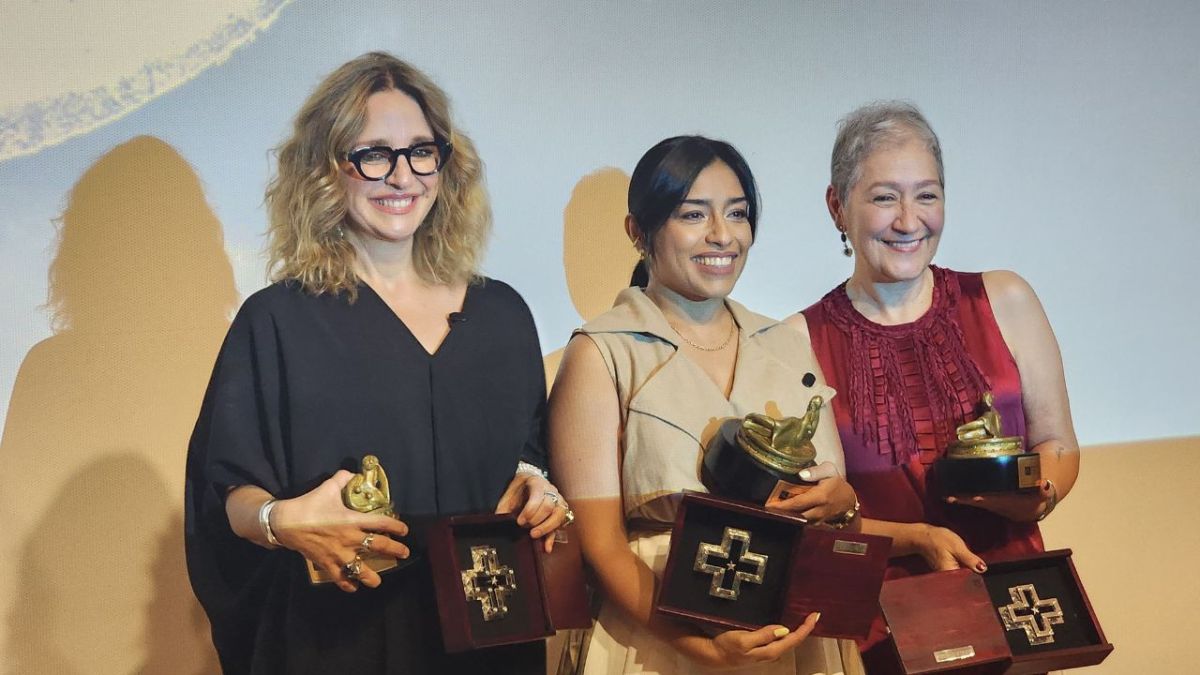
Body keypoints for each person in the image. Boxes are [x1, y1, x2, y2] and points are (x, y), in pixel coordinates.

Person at [184, 52, 571, 674]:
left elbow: (528, 452)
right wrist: (281, 520)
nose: (402, 176)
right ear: (327, 170)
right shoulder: (278, 320)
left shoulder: (503, 314)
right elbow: (226, 493)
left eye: (422, 151)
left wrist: (540, 487)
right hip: (339, 640)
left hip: (489, 637)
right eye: (373, 154)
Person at [549, 136, 864, 674]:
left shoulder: (786, 343)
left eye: (737, 214)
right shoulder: (601, 351)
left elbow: (840, 504)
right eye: (694, 214)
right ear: (638, 232)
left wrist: (842, 503)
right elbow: (599, 544)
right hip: (656, 637)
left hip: (786, 637)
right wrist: (701, 649)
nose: (722, 235)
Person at [793, 101, 1080, 672]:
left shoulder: (1004, 298)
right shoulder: (800, 339)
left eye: (927, 195)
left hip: (1016, 604)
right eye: (883, 197)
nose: (909, 221)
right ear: (836, 205)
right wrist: (916, 537)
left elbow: (1060, 445)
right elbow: (819, 516)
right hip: (888, 625)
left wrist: (1037, 494)